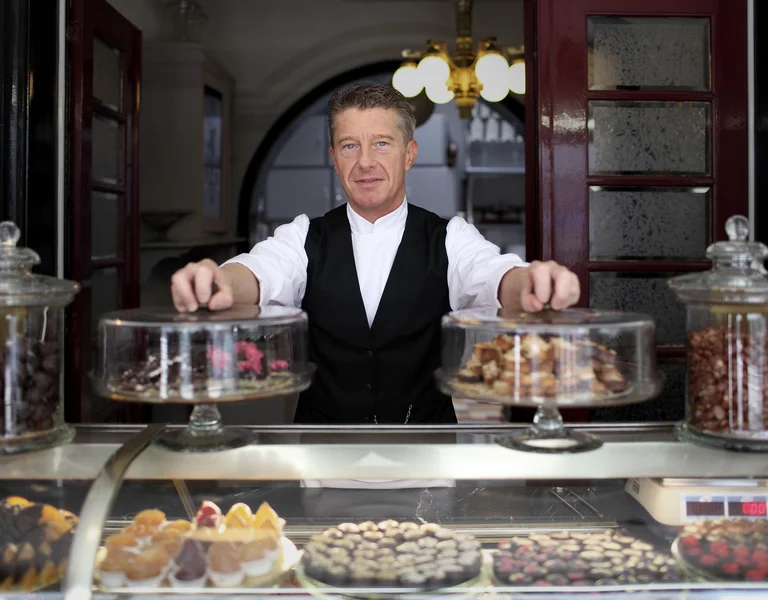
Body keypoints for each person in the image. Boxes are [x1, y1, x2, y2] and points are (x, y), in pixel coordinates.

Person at [171, 82, 580, 425]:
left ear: (410, 153)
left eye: (381, 143)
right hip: (322, 458)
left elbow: (492, 274)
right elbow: (262, 270)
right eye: (349, 146)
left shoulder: (449, 236)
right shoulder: (303, 236)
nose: (365, 162)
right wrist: (220, 282)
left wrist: (530, 282)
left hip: (426, 459)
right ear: (333, 158)